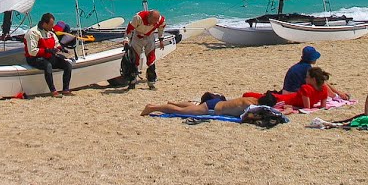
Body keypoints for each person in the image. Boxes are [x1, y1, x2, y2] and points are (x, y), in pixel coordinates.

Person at [24, 13, 73, 97]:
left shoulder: (50, 32)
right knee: (48, 66)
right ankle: (53, 91)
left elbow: (56, 43)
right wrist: (47, 50)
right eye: (51, 24)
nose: (53, 26)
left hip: (48, 56)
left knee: (67, 65)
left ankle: (66, 89)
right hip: (34, 58)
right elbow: (32, 51)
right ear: (44, 23)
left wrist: (61, 48)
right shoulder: (33, 32)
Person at [281, 45, 351, 99]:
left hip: (285, 92)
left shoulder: (299, 66)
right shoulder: (307, 68)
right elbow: (321, 83)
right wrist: (335, 94)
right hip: (293, 95)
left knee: (320, 81)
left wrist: (338, 92)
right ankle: (335, 96)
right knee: (321, 86)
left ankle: (337, 94)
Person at [252, 67, 338, 109]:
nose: (305, 79)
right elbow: (323, 107)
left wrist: (292, 107)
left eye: (307, 77)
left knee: (248, 95)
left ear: (313, 79)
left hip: (282, 99)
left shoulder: (306, 88)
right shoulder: (324, 89)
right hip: (285, 99)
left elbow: (307, 108)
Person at [141, 91, 270, 118]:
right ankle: (152, 108)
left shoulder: (252, 99)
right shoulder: (251, 106)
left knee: (193, 106)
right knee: (179, 112)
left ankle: (172, 103)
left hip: (216, 103)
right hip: (212, 109)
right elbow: (249, 117)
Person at [125, 9, 166, 83]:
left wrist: (161, 40)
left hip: (149, 37)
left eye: (156, 21)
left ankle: (151, 78)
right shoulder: (138, 18)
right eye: (154, 21)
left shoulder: (160, 20)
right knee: (135, 57)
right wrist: (126, 40)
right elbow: (130, 29)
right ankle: (133, 79)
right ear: (149, 17)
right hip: (137, 36)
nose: (155, 23)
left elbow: (161, 28)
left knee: (151, 57)